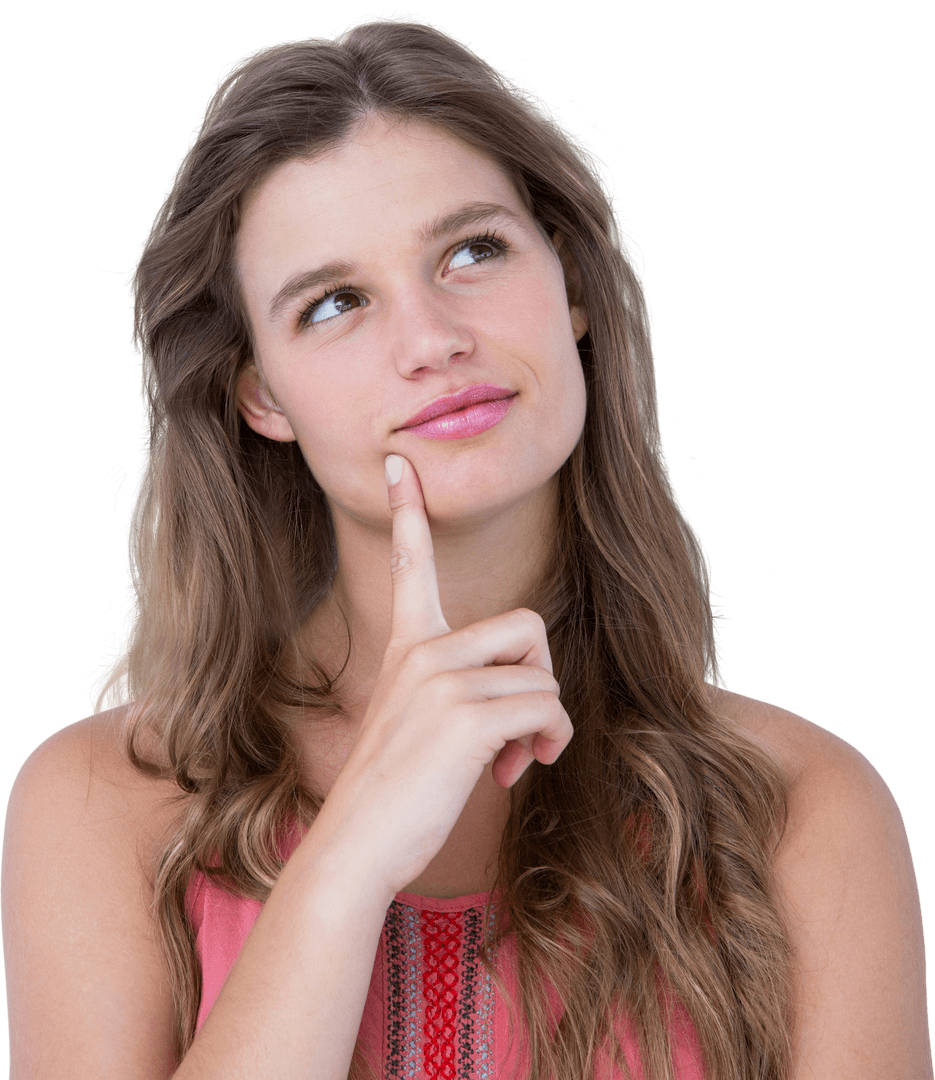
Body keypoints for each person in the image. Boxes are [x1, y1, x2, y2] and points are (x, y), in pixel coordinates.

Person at [2, 13, 929, 1080]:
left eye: (473, 251)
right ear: (261, 396)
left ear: (570, 287)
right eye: (334, 303)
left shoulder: (804, 812)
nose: (432, 340)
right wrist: (349, 857)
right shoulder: (99, 804)